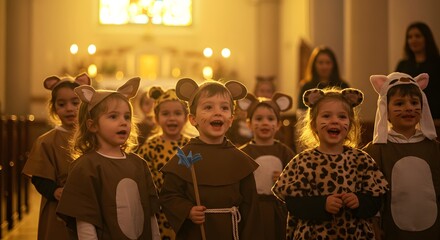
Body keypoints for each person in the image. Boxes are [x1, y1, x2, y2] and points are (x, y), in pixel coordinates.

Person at [272, 87, 389, 240]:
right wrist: (322, 204)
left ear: (350, 124)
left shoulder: (362, 160)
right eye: (326, 116)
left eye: (342, 117)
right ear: (314, 125)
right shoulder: (303, 162)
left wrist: (359, 201)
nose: (334, 121)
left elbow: (375, 201)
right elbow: (293, 204)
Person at [159, 78, 263, 240]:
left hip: (232, 232)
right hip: (196, 233)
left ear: (231, 119)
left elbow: (251, 208)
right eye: (208, 107)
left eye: (224, 108)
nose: (217, 112)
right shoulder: (186, 157)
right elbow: (169, 196)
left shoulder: (239, 160)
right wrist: (187, 210)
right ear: (193, 119)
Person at [56, 78, 160, 239]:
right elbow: (85, 219)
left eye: (127, 117)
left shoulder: (139, 164)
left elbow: (150, 214)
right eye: (113, 117)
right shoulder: (85, 166)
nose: (123, 123)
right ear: (93, 125)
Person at [363, 72, 440, 239]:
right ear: (385, 109)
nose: (409, 108)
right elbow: (372, 197)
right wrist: (375, 227)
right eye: (399, 103)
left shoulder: (434, 149)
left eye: (414, 102)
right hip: (392, 232)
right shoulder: (376, 151)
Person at [22, 73, 91, 240]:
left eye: (75, 103)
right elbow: (39, 177)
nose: (69, 108)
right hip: (58, 206)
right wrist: (54, 191)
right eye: (62, 104)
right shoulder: (46, 141)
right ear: (54, 108)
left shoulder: (93, 136)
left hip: (89, 203)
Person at [237, 92, 295, 240]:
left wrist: (284, 179)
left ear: (278, 125)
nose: (265, 123)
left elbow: (296, 179)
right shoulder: (243, 153)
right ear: (249, 123)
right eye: (259, 118)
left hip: (278, 210)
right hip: (252, 210)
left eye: (270, 119)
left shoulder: (284, 152)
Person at [136, 86, 191, 240]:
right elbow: (143, 177)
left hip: (185, 210)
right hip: (159, 212)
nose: (172, 118)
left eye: (177, 113)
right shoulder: (150, 146)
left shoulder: (190, 146)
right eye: (165, 114)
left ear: (186, 118)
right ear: (157, 118)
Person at [395, 22, 440, 120]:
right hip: (408, 117)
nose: (413, 40)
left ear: (426, 39)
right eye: (410, 37)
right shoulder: (403, 65)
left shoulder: (437, 63)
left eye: (417, 36)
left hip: (434, 117)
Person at [297, 46, 349, 114]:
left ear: (333, 65)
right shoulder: (306, 87)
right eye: (320, 63)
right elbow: (301, 112)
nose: (324, 66)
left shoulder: (343, 86)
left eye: (328, 63)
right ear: (314, 65)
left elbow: (349, 112)